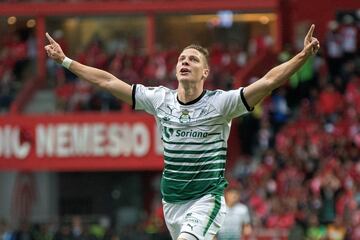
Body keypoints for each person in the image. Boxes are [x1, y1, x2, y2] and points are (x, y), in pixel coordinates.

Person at [45, 24, 319, 240]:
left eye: (193, 59)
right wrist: (66, 61)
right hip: (171, 203)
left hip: (205, 199)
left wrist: (302, 56)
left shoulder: (221, 104)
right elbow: (107, 80)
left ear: (205, 72)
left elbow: (269, 80)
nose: (185, 62)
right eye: (181, 59)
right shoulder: (159, 99)